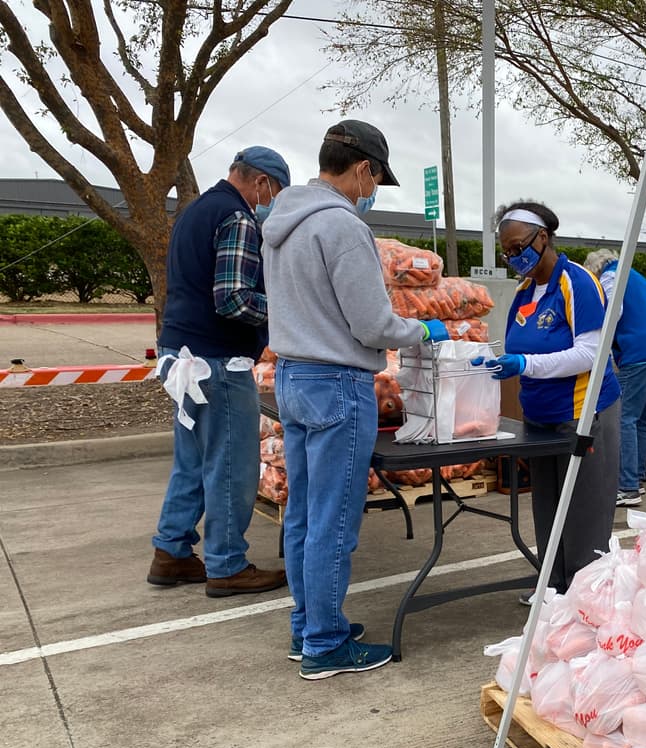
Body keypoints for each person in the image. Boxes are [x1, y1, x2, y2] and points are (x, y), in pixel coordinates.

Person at [261, 119, 452, 680]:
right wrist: (424, 333)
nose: (372, 193)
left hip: (293, 379)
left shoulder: (282, 222)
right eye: (375, 181)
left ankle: (308, 626)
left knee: (301, 514)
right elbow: (371, 324)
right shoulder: (342, 228)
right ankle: (325, 644)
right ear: (365, 169)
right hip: (337, 384)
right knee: (335, 521)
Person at [148, 146, 292, 598]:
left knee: (192, 460)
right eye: (276, 191)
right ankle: (227, 565)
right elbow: (233, 298)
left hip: (183, 356)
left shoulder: (196, 211)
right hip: (217, 364)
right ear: (262, 182)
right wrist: (286, 311)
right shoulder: (237, 218)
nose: (272, 201)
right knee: (232, 466)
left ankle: (170, 552)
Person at [476, 201, 621, 602]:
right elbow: (521, 345)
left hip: (582, 414)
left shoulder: (577, 283)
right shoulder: (525, 291)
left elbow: (591, 353)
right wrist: (496, 361)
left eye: (518, 245)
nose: (513, 256)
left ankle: (585, 596)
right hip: (540, 418)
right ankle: (552, 586)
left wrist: (526, 363)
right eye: (507, 251)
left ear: (544, 237)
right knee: (548, 505)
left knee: (585, 511)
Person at [582, 249, 646, 508]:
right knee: (640, 418)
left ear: (595, 269)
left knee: (624, 417)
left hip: (639, 353)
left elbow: (612, 313)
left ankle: (627, 487)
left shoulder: (610, 278)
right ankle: (636, 477)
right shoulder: (638, 277)